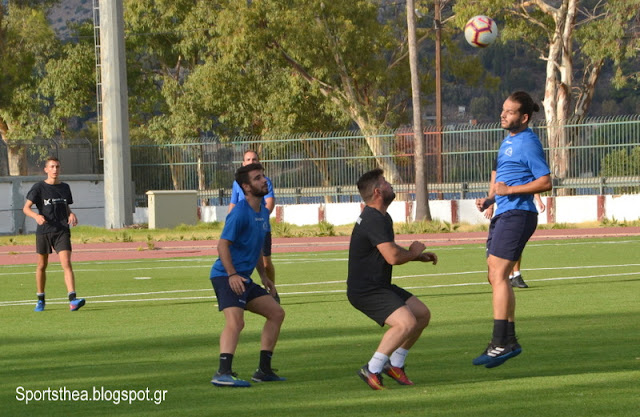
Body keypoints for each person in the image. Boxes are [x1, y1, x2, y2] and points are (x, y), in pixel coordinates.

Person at [474, 91, 552, 368]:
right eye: (503, 110)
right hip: (505, 212)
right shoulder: (508, 141)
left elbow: (545, 182)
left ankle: (500, 342)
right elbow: (505, 182)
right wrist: (491, 199)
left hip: (518, 214)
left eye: (510, 111)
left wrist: (511, 191)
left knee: (499, 274)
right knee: (494, 275)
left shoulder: (528, 143)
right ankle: (508, 340)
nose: (503, 114)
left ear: (524, 117)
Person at [347, 168, 438, 390]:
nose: (390, 185)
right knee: (406, 323)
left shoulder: (381, 217)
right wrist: (413, 252)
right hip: (366, 290)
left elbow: (387, 250)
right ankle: (372, 368)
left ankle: (395, 365)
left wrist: (417, 257)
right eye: (385, 182)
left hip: (379, 285)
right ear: (378, 192)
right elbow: (393, 257)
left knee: (421, 314)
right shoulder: (373, 219)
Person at [210, 163, 285, 387]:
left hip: (244, 277)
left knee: (276, 313)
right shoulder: (240, 212)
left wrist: (264, 277)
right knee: (236, 322)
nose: (264, 180)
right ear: (246, 187)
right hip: (225, 276)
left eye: (263, 176)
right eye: (257, 178)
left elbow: (257, 248)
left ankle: (263, 370)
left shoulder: (262, 212)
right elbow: (222, 245)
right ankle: (222, 372)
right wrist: (232, 274)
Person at [22, 156, 86, 312]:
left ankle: (73, 300)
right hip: (44, 231)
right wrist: (36, 216)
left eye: (57, 166)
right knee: (42, 265)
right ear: (46, 169)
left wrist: (71, 214)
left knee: (66, 263)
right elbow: (26, 208)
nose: (55, 169)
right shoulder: (39, 187)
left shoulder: (65, 187)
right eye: (51, 167)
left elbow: (65, 206)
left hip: (62, 231)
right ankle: (40, 299)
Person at [229, 150, 277, 302]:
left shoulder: (264, 182)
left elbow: (269, 202)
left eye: (254, 159)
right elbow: (233, 203)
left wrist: (259, 219)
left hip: (261, 228)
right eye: (248, 159)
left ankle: (272, 290)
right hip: (243, 228)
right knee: (239, 258)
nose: (251, 162)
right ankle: (237, 290)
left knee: (265, 261)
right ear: (243, 163)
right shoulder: (237, 184)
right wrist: (230, 222)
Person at [484, 193, 546, 288]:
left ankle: (516, 275)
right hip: (504, 214)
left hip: (519, 212)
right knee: (495, 266)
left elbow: (536, 185)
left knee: (515, 246)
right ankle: (510, 276)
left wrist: (539, 200)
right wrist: (489, 206)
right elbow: (496, 189)